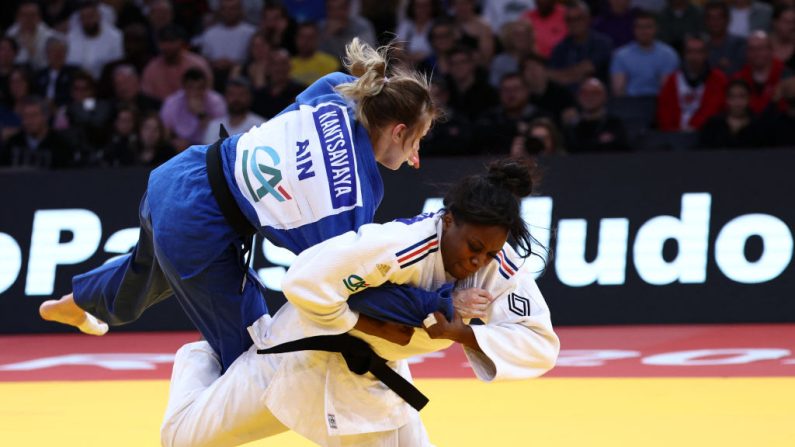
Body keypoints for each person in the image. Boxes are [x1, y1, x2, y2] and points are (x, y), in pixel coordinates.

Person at [38, 38, 439, 372]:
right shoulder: (350, 199)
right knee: (254, 360)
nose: (415, 156)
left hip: (180, 173)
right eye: (417, 141)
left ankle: (75, 303)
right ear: (398, 130)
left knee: (146, 270)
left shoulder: (336, 89)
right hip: (198, 225)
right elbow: (350, 284)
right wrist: (436, 302)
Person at [160, 159, 559, 447]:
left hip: (374, 372)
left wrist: (462, 334)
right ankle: (202, 356)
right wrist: (367, 324)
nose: (478, 261)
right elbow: (301, 280)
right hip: (301, 354)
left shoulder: (497, 264)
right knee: (181, 440)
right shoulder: (396, 245)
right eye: (474, 248)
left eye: (490, 253)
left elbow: (540, 342)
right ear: (449, 219)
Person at [657, 34, 728, 131]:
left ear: (706, 54)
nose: (694, 57)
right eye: (690, 52)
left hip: (706, 136)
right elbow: (664, 112)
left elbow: (716, 110)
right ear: (684, 54)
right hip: (674, 137)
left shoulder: (718, 79)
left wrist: (694, 127)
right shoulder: (672, 80)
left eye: (698, 52)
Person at [610, 11, 679, 97]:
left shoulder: (668, 55)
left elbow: (667, 90)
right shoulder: (621, 55)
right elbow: (618, 91)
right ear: (634, 30)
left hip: (659, 102)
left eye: (648, 27)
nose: (644, 31)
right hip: (630, 103)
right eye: (640, 27)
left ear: (656, 29)